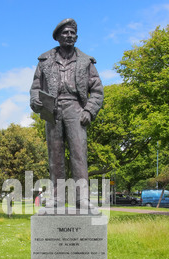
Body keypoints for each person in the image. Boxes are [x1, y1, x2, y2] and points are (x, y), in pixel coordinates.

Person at [30, 19, 104, 211]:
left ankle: (82, 198)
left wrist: (89, 110)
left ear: (76, 37)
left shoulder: (86, 61)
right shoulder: (45, 61)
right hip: (52, 110)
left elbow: (97, 91)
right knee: (55, 156)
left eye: (72, 33)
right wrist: (35, 101)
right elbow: (35, 88)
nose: (69, 36)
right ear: (57, 37)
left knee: (79, 154)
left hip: (76, 109)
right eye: (65, 33)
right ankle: (56, 198)